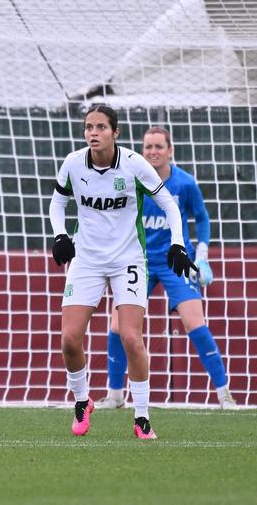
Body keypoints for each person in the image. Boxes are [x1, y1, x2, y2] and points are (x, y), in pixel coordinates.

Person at [49, 105, 196, 440]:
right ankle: (82, 401)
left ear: (115, 132)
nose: (93, 133)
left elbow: (169, 205)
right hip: (86, 259)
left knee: (131, 337)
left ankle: (141, 416)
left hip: (128, 259)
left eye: (101, 127)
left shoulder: (133, 165)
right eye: (88, 127)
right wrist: (60, 234)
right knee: (69, 339)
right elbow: (57, 202)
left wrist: (178, 243)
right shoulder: (73, 163)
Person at [97, 126, 236, 409]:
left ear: (170, 150)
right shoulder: (132, 180)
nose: (153, 152)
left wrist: (203, 256)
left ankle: (224, 394)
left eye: (159, 146)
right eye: (148, 147)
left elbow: (202, 218)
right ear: (142, 150)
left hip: (177, 260)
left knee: (194, 322)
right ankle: (114, 395)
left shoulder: (184, 183)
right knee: (117, 325)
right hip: (139, 260)